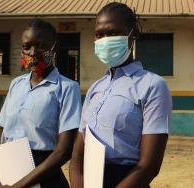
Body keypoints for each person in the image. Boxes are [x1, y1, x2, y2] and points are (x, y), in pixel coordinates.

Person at [69, 2, 172, 188]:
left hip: (128, 181)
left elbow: (149, 165)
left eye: (113, 33)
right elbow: (77, 154)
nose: (105, 40)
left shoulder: (152, 85)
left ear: (133, 35)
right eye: (99, 34)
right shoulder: (95, 88)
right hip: (90, 180)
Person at [0, 19, 81, 188]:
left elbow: (64, 151)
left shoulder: (68, 88)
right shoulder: (16, 85)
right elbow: (4, 141)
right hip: (10, 174)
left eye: (41, 46)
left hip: (46, 177)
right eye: (27, 47)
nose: (33, 52)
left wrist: (20, 185)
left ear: (54, 47)